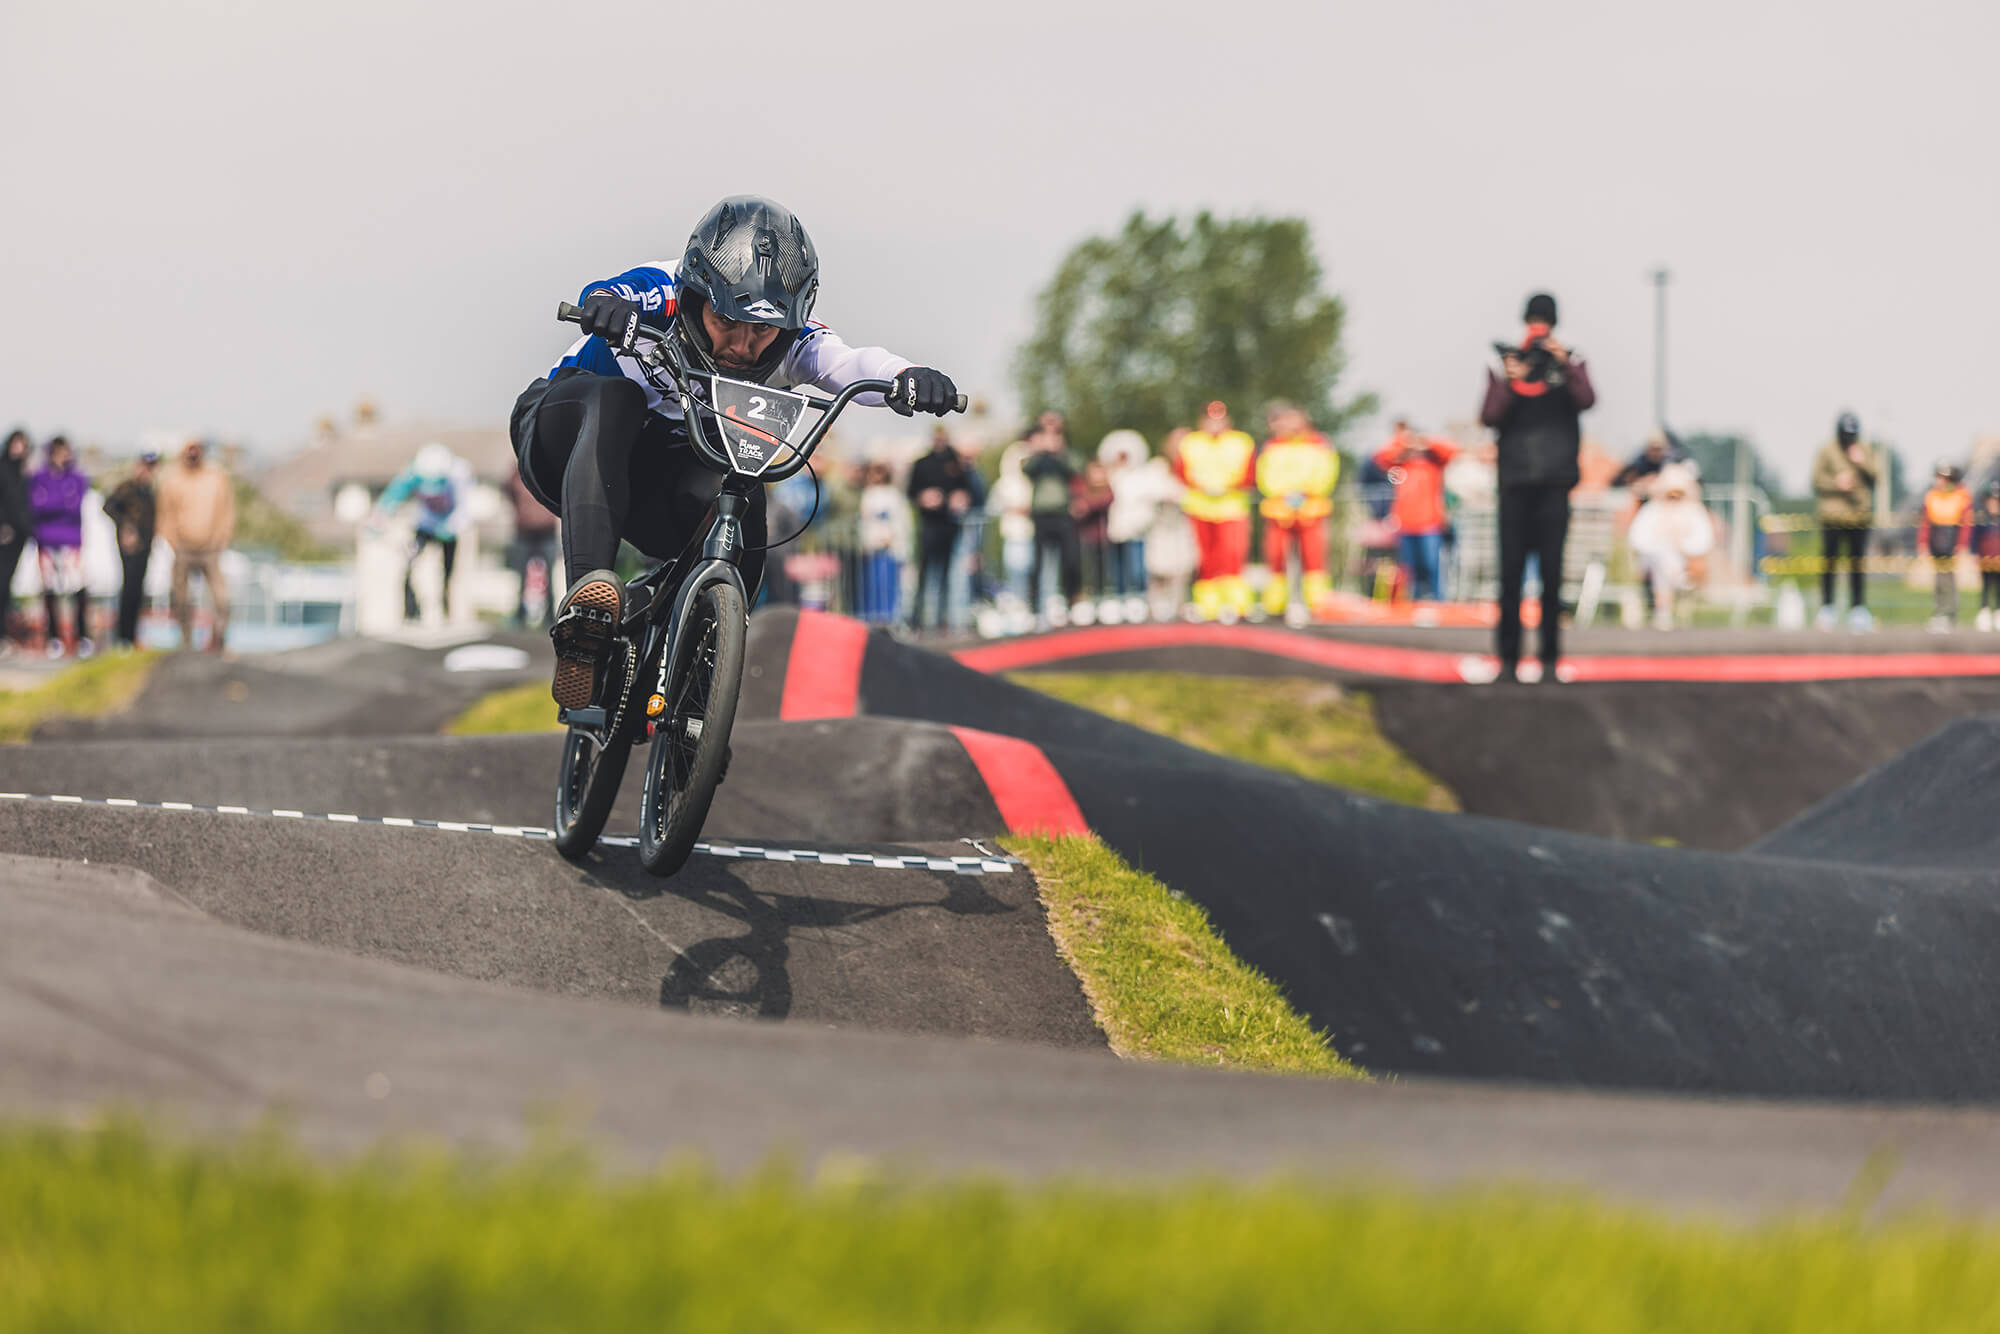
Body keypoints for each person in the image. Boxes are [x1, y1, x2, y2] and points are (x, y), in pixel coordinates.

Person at [510, 195, 958, 708]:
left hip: (647, 483)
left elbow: (850, 364)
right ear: (699, 294)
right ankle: (586, 614)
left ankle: (700, 696)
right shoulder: (664, 289)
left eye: (762, 331)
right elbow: (608, 291)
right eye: (728, 322)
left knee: (739, 493)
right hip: (566, 444)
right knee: (618, 398)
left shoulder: (793, 340)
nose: (743, 347)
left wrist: (905, 377)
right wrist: (611, 310)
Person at [1479, 292, 1596, 682]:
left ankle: (1549, 661)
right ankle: (1508, 661)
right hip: (1514, 484)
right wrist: (1510, 381)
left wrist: (1564, 364)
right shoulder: (1506, 365)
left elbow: (1587, 399)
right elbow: (1490, 415)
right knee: (1510, 577)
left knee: (1551, 577)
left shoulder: (1570, 363)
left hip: (1554, 483)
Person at [1174, 400, 1256, 620]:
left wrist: (1227, 487)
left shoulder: (1241, 441)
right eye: (1210, 418)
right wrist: (1202, 487)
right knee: (1206, 559)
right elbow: (1181, 472)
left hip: (1231, 508)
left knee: (1231, 556)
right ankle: (1207, 605)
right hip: (1200, 508)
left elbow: (1249, 474)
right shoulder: (1190, 443)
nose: (1215, 423)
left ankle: (1236, 605)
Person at [1257, 402, 1338, 623]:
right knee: (1276, 559)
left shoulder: (1319, 444)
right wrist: (1282, 493)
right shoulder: (1271, 446)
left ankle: (1318, 606)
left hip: (1311, 510)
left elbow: (1327, 473)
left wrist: (1307, 492)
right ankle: (1275, 606)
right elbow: (1264, 476)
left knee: (1314, 560)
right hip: (1278, 511)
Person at [156, 439, 236, 653]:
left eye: (196, 450)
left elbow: (226, 511)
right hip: (182, 548)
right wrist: (172, 541)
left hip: (211, 549)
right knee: (181, 599)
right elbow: (165, 514)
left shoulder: (216, 478)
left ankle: (219, 639)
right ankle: (187, 643)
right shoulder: (172, 480)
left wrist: (220, 539)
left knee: (222, 599)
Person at [374, 442, 470, 621]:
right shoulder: (414, 471)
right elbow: (394, 494)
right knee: (410, 563)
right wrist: (380, 518)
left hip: (449, 526)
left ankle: (445, 607)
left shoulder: (459, 473)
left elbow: (464, 507)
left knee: (447, 570)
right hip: (426, 524)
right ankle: (411, 610)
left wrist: (449, 527)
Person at [1372, 418, 1456, 604]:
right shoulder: (1400, 465)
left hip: (1430, 522)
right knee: (1410, 569)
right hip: (1405, 523)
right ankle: (1413, 602)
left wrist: (1424, 440)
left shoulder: (1433, 463)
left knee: (1432, 565)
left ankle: (1438, 601)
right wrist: (1403, 441)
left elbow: (1450, 450)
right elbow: (1380, 456)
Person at [1624, 462, 1715, 630]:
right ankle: (1675, 585)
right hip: (1652, 562)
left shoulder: (1694, 511)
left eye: (1677, 493)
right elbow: (1637, 539)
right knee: (1663, 556)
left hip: (1685, 562)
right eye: (1671, 493)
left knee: (1666, 558)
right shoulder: (1652, 511)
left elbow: (1703, 541)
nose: (1674, 498)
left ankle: (1663, 610)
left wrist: (1681, 546)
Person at [1810, 411, 1877, 632]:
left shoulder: (1864, 449)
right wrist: (1836, 483)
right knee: (1829, 564)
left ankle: (1858, 609)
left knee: (1857, 565)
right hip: (1832, 517)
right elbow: (1816, 480)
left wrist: (1862, 463)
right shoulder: (1826, 450)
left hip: (1859, 516)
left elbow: (1875, 478)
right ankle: (1826, 608)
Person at [905, 424, 974, 631]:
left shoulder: (956, 463)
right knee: (925, 574)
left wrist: (961, 498)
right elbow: (910, 492)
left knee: (946, 575)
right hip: (929, 524)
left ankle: (942, 620)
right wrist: (923, 498)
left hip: (950, 525)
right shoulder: (922, 463)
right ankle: (918, 621)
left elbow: (969, 491)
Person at [28, 436, 92, 657]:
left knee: (78, 589)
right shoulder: (39, 477)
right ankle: (54, 638)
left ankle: (82, 636)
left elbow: (74, 508)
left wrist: (51, 503)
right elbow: (37, 507)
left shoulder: (77, 478)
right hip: (46, 542)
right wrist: (60, 503)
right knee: (50, 591)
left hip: (71, 542)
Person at [1022, 417, 1082, 621]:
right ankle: (1034, 607)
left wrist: (1059, 451)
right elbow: (1027, 469)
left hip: (1063, 514)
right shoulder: (1037, 458)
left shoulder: (1065, 455)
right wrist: (1039, 451)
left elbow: (1076, 469)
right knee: (1037, 563)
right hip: (1041, 514)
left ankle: (1072, 602)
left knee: (1070, 560)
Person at [101, 451, 160, 649]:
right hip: (130, 548)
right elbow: (109, 507)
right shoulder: (128, 488)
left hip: (145, 546)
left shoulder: (149, 491)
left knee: (137, 591)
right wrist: (126, 526)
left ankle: (132, 635)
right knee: (129, 590)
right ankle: (123, 637)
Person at [1098, 430, 1153, 622]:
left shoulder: (1140, 476)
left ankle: (1139, 599)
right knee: (1118, 567)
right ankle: (1121, 599)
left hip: (1136, 529)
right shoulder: (1111, 477)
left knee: (1137, 568)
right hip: (1117, 529)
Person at [1918, 460, 1971, 634]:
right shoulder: (1932, 496)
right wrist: (1923, 543)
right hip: (1937, 539)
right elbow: (1925, 522)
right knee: (1939, 580)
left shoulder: (1961, 496)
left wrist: (1962, 544)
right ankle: (1940, 613)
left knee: (1949, 579)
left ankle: (1950, 613)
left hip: (1951, 539)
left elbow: (1966, 523)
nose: (1939, 481)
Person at [855, 460, 909, 625]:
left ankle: (889, 619)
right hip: (873, 549)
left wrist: (893, 538)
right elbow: (865, 521)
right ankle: (874, 618)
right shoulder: (868, 494)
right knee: (873, 587)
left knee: (888, 586)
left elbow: (900, 521)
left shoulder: (893, 495)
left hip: (889, 548)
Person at [506, 467, 560, 628]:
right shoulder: (518, 473)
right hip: (524, 533)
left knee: (549, 577)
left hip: (546, 533)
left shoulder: (550, 474)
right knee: (521, 577)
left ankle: (550, 617)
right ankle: (520, 615)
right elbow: (508, 489)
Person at [1070, 458, 1115, 615]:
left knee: (1103, 571)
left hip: (1103, 538)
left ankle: (1102, 599)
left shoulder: (1107, 489)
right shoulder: (1082, 487)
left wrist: (1088, 504)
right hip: (1086, 539)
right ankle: (1087, 599)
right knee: (1088, 571)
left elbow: (1102, 501)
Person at [0, 430, 32, 651]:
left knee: (7, 584)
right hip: (4, 533)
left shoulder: (25, 472)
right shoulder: (3, 468)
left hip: (20, 534)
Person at [1612, 430, 1692, 498]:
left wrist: (1653, 480)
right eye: (1653, 449)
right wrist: (1636, 482)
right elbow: (1618, 481)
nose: (1655, 453)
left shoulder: (1673, 461)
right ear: (1647, 449)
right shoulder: (1639, 462)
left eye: (1658, 449)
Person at [1973, 481, 2000, 631]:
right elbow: (1975, 539)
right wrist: (1975, 555)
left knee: (1998, 588)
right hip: (1986, 560)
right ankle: (1984, 612)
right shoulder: (1982, 520)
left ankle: (1997, 612)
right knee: (1985, 587)